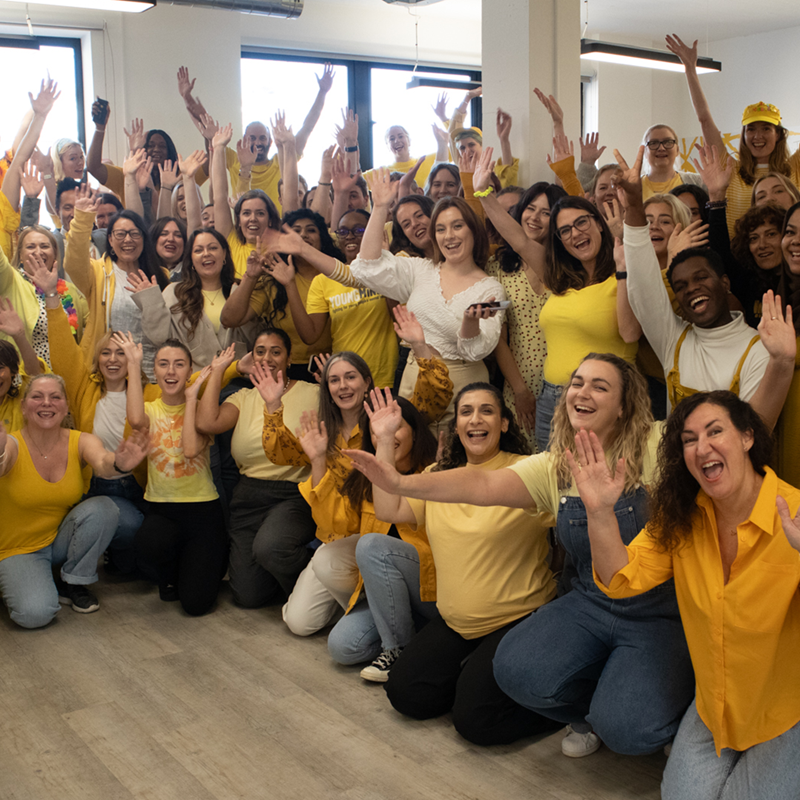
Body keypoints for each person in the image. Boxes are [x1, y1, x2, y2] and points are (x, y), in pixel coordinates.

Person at [345, 355, 694, 756]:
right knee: (455, 684)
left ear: (624, 405)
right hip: (586, 603)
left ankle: (635, 708)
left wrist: (777, 363)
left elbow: (737, 430)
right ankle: (592, 706)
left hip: (655, 610)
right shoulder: (553, 467)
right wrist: (397, 475)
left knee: (627, 732)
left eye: (600, 386)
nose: (582, 391)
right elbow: (478, 484)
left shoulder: (658, 442)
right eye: (576, 382)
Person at [569, 391, 800, 798]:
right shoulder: (681, 516)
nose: (702, 447)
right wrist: (600, 512)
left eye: (715, 431)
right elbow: (620, 579)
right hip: (714, 705)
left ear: (747, 437)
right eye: (689, 439)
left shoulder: (795, 513)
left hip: (786, 710)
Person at [344, 382, 562, 746]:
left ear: (505, 424)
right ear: (456, 428)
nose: (476, 419)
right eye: (466, 412)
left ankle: (561, 708)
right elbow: (389, 508)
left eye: (487, 411)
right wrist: (383, 440)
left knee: (476, 724)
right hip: (457, 622)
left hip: (517, 618)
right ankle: (475, 680)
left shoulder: (528, 471)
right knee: (406, 695)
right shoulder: (435, 477)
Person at [261, 346, 452, 637]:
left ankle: (382, 614)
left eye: (350, 377)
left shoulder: (385, 417)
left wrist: (422, 347)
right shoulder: (323, 431)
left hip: (393, 533)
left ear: (366, 382)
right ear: (326, 388)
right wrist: (275, 406)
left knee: (350, 561)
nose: (343, 385)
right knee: (298, 623)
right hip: (341, 532)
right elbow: (282, 450)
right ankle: (370, 610)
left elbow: (429, 402)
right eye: (334, 380)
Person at [617, 146, 795, 426]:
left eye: (701, 278)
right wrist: (634, 204)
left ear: (725, 283)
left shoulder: (758, 348)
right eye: (681, 285)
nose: (691, 288)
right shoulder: (673, 339)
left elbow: (756, 434)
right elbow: (642, 286)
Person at [351, 171, 506, 423]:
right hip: (415, 376)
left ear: (473, 231)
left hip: (464, 386)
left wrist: (470, 320)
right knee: (415, 454)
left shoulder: (490, 289)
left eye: (457, 226)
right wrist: (380, 208)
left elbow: (476, 351)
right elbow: (366, 267)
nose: (450, 236)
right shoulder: (420, 270)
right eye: (441, 229)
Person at [0, 374, 149, 628]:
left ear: (66, 406)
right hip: (17, 549)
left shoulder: (80, 440)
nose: (47, 403)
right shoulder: (13, 443)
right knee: (36, 615)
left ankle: (73, 582)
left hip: (58, 540)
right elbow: (3, 462)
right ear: (24, 407)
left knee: (104, 508)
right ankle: (23, 578)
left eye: (55, 397)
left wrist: (120, 463)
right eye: (37, 397)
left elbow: (103, 463)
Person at [325, 385, 440, 681]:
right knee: (343, 648)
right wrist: (316, 460)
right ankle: (414, 635)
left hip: (434, 589)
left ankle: (398, 648)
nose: (385, 435)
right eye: (377, 431)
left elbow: (391, 516)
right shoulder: (365, 477)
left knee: (372, 546)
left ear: (415, 431)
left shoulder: (434, 473)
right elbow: (336, 524)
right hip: (392, 595)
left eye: (396, 427)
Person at [196, 329, 318, 608]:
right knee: (248, 596)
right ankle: (281, 571)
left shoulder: (313, 392)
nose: (268, 357)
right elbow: (206, 423)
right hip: (248, 495)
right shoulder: (243, 397)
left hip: (294, 493)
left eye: (276, 351)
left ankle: (313, 592)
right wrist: (218, 371)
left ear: (289, 359)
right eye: (261, 351)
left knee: (270, 548)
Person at [123, 336, 228, 615]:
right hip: (163, 511)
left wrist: (193, 397)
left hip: (203, 512)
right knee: (149, 543)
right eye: (163, 364)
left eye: (179, 365)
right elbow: (135, 419)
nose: (171, 371)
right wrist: (133, 364)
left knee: (196, 605)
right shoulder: (149, 410)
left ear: (189, 370)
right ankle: (172, 571)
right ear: (155, 371)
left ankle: (198, 567)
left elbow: (191, 449)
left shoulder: (202, 409)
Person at [667, 33, 800, 236]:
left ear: (779, 135)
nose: (758, 136)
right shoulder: (729, 170)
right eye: (751, 129)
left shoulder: (793, 167)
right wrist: (690, 69)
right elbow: (704, 119)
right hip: (738, 258)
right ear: (744, 135)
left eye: (766, 129)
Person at [479, 180, 567, 450]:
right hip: (520, 380)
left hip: (566, 381)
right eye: (531, 208)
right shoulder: (498, 268)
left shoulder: (567, 266)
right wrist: (519, 389)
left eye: (546, 212)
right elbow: (498, 338)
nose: (536, 218)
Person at [178, 64, 336, 212]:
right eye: (252, 138)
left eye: (262, 138)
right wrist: (187, 97)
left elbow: (307, 128)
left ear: (270, 142)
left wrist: (322, 92)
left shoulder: (279, 163)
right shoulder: (234, 160)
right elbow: (207, 127)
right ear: (244, 140)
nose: (257, 142)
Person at [64, 188, 169, 378]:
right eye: (120, 234)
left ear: (144, 239)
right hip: (111, 376)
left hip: (153, 376)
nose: (128, 239)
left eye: (134, 233)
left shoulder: (160, 276)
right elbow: (73, 262)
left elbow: (165, 333)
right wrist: (81, 220)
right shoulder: (98, 272)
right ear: (110, 240)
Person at [129, 227, 255, 369]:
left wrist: (248, 284)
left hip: (239, 381)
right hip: (194, 381)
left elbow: (256, 338)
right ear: (191, 259)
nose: (206, 254)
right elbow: (159, 338)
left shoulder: (241, 290)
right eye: (198, 250)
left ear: (224, 253)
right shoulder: (174, 292)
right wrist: (151, 301)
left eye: (213, 248)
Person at [211, 123, 282, 278]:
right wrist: (218, 148)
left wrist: (286, 146)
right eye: (246, 213)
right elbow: (220, 197)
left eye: (260, 213)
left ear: (270, 219)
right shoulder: (230, 240)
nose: (253, 219)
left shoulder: (280, 246)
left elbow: (291, 197)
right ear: (238, 218)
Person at [0, 299, 42, 432]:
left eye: (0, 368)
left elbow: (35, 375)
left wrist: (19, 336)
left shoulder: (22, 400)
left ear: (13, 371)